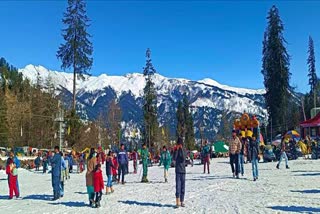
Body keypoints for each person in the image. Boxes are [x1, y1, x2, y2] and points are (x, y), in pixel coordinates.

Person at [174, 137, 186, 208]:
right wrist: (177, 150)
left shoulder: (184, 150)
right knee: (178, 186)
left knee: (183, 187)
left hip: (183, 171)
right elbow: (174, 158)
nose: (179, 145)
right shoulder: (176, 150)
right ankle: (177, 202)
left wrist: (181, 150)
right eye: (178, 144)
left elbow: (183, 158)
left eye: (180, 144)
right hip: (178, 171)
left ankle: (182, 201)